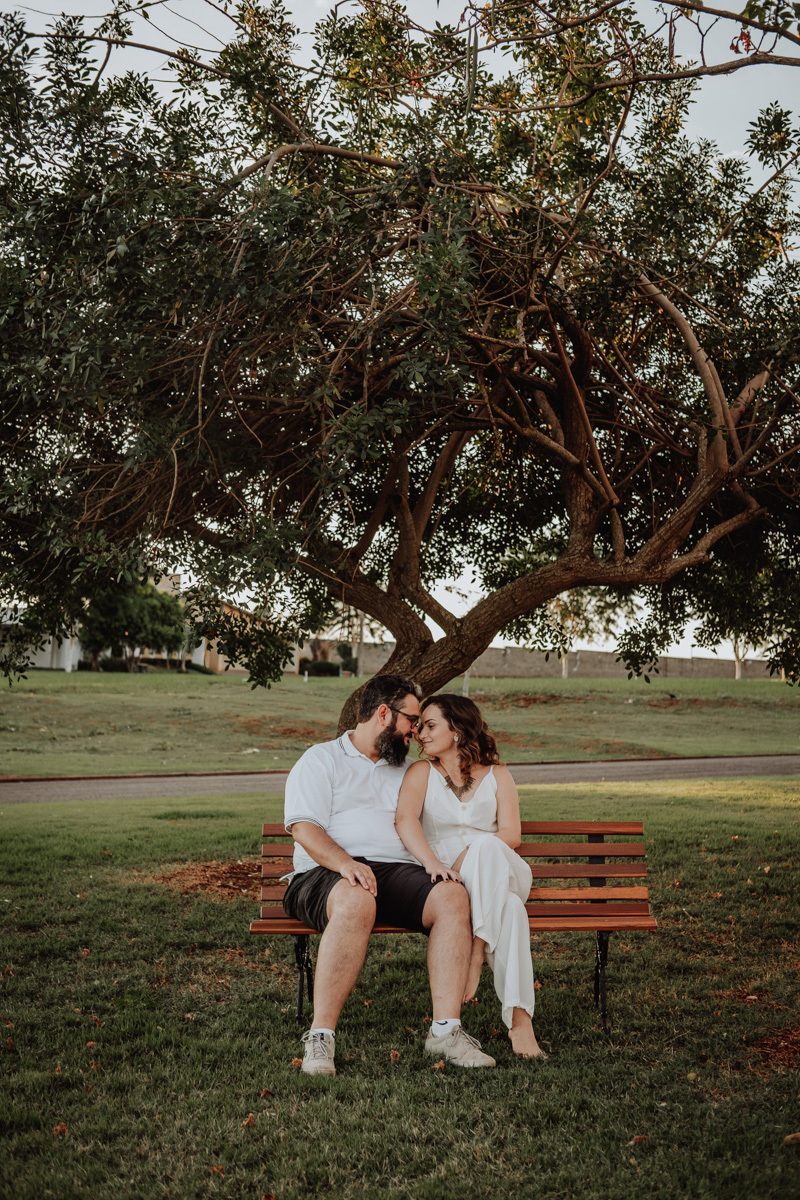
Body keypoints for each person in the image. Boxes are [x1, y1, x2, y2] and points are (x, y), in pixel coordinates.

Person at [282, 673, 496, 1075]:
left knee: (452, 897)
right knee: (356, 897)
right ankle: (321, 1036)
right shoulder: (321, 759)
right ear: (384, 714)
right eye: (412, 720)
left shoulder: (411, 769)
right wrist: (346, 863)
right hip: (324, 873)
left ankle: (446, 1032)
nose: (415, 732)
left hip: (395, 873)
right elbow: (304, 829)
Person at [395, 693, 546, 1059]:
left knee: (487, 847)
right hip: (452, 884)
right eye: (420, 727)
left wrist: (468, 854)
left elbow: (511, 835)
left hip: (502, 871)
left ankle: (475, 955)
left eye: (430, 726)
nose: (421, 735)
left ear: (458, 729)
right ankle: (521, 1024)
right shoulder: (421, 774)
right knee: (511, 911)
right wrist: (432, 862)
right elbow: (404, 821)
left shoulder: (498, 775)